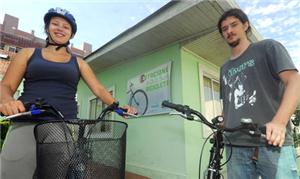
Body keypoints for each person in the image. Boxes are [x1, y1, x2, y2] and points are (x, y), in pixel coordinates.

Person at [0, 7, 136, 179]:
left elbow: (99, 89)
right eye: (55, 24)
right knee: (12, 172)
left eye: (66, 26)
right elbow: (6, 86)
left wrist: (117, 107)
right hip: (27, 119)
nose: (60, 28)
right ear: (47, 28)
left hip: (61, 126)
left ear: (71, 35)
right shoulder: (28, 53)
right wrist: (6, 100)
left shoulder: (78, 63)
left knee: (55, 174)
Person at [218, 8, 300, 179]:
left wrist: (279, 122)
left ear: (246, 25)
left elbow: (294, 81)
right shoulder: (224, 68)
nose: (229, 31)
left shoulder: (268, 47)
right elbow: (227, 103)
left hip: (271, 144)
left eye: (234, 25)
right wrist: (222, 124)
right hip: (235, 146)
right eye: (224, 29)